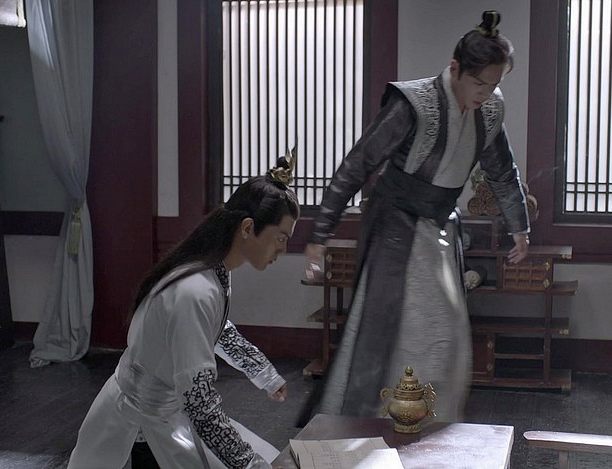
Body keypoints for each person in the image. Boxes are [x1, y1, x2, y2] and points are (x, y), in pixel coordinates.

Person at [304, 10, 531, 423]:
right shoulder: (414, 103)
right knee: (404, 330)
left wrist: (519, 227)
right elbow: (357, 164)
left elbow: (501, 170)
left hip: (441, 224)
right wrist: (320, 234)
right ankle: (372, 422)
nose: (485, 93)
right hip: (397, 224)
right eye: (478, 83)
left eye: (493, 84)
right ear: (455, 68)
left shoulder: (490, 110)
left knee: (448, 333)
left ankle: (427, 425)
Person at [68, 153, 300, 469]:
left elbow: (217, 330)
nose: (283, 250)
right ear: (248, 228)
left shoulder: (213, 270)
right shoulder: (196, 290)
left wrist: (264, 373)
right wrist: (250, 464)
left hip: (169, 413)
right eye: (281, 238)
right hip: (140, 425)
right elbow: (200, 403)